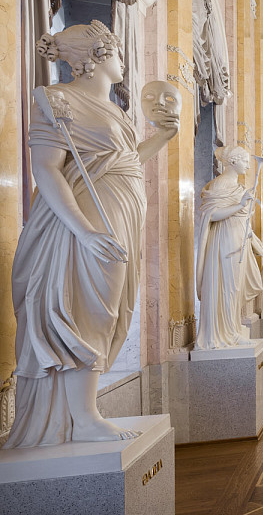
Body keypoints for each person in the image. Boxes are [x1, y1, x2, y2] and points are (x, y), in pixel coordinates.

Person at [5, 22, 178, 447]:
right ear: (95, 57)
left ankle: (84, 412)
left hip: (118, 217)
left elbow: (125, 160)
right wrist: (83, 231)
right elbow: (46, 169)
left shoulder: (115, 110)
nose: (123, 61)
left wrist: (163, 136)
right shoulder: (55, 99)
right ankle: (84, 418)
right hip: (84, 221)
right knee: (87, 311)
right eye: (117, 52)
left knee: (110, 309)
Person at [195, 146, 258, 350]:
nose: (248, 165)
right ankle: (226, 333)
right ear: (233, 161)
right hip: (225, 241)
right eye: (245, 160)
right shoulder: (220, 184)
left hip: (238, 240)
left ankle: (232, 329)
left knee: (235, 288)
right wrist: (240, 205)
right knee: (227, 287)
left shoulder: (238, 186)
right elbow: (211, 215)